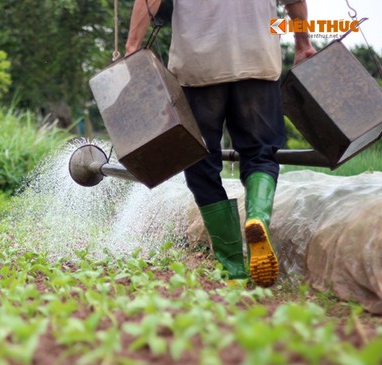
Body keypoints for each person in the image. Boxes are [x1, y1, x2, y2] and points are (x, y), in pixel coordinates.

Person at [125, 0, 316, 286]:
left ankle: (233, 267)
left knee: (200, 161)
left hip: (199, 66)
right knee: (261, 153)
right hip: (258, 61)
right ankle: (257, 218)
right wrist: (303, 43)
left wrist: (132, 47)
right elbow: (296, 2)